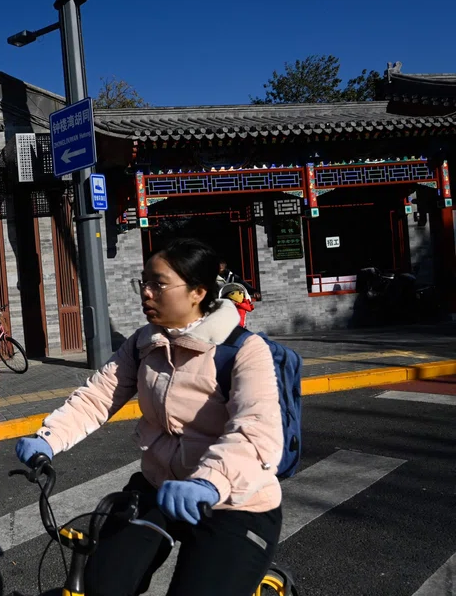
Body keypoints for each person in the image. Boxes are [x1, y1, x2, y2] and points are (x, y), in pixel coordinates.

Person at [15, 238, 283, 596]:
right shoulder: (144, 342)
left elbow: (256, 432)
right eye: (143, 282)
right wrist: (48, 437)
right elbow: (98, 396)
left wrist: (208, 482)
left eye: (158, 284)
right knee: (103, 584)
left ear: (197, 292)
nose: (146, 293)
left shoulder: (244, 351)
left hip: (233, 500)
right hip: (160, 489)